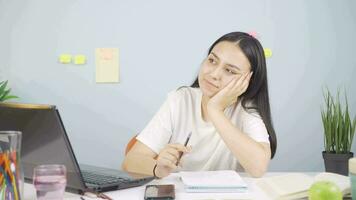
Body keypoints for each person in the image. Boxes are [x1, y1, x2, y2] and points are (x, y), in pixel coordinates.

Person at [122, 32, 277, 178]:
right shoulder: (180, 99)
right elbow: (130, 161)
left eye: (229, 70)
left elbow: (258, 168)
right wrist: (157, 168)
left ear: (248, 81)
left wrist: (215, 110)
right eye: (212, 60)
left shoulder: (246, 110)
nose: (214, 74)